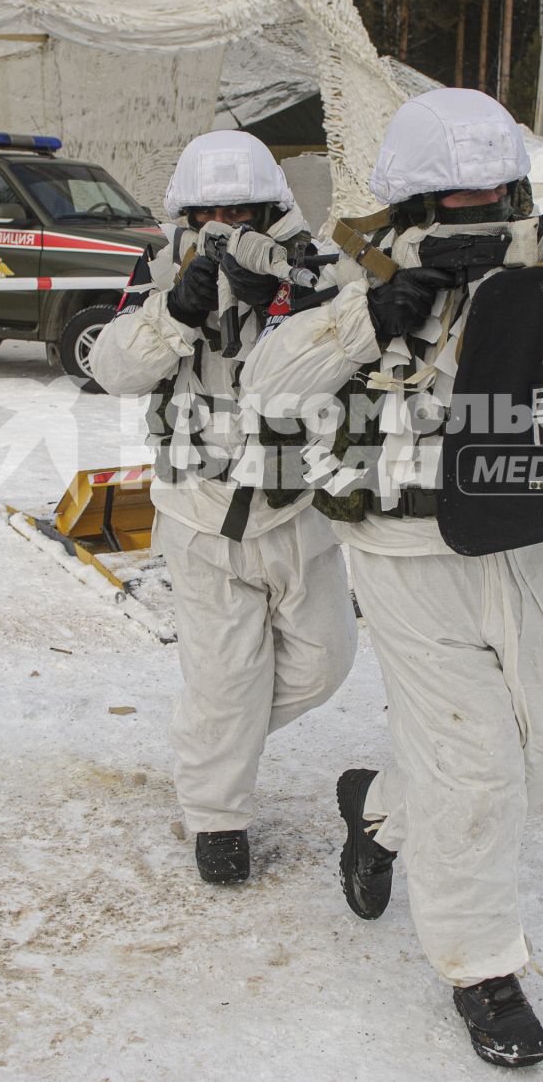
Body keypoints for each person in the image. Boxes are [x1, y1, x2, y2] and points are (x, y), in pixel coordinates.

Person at [239, 89, 543, 1068]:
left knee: (535, 758)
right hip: (408, 548)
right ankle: (484, 968)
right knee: (476, 765)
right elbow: (266, 388)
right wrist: (367, 321)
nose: (480, 219)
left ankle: (376, 812)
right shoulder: (366, 280)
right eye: (454, 203)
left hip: (532, 543)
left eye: (495, 197)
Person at [88, 130, 357, 886]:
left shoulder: (318, 269)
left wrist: (313, 310)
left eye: (242, 207)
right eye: (210, 209)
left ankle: (213, 740)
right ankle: (218, 817)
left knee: (327, 660)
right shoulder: (162, 270)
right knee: (224, 679)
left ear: (271, 206)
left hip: (295, 508)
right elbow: (111, 369)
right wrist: (174, 313)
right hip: (200, 513)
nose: (226, 221)